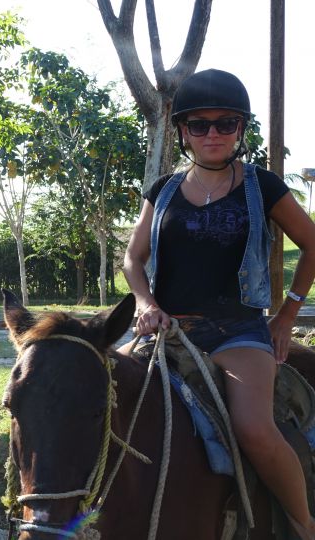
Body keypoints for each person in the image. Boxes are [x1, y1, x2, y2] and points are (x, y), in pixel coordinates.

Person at [123, 69, 315, 539]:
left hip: (237, 332)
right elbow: (132, 258)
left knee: (254, 429)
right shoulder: (162, 191)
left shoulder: (262, 186)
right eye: (200, 124)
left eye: (226, 123)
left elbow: (313, 245)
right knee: (97, 391)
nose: (213, 133)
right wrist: (145, 303)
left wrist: (287, 315)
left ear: (240, 129)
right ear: (183, 131)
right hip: (168, 331)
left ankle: (304, 523)